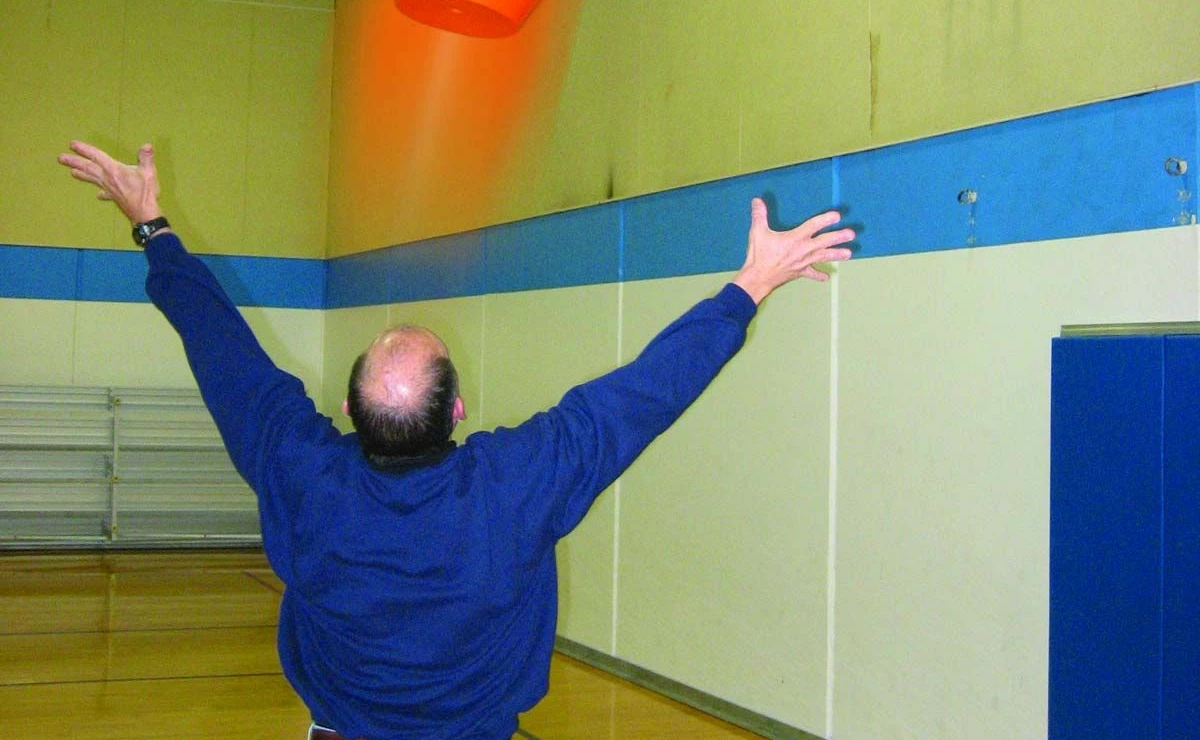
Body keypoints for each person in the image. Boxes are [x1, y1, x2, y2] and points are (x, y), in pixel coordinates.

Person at [58, 139, 855, 740]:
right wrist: (749, 285)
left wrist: (152, 228)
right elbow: (644, 394)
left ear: (345, 405)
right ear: (460, 409)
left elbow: (217, 343)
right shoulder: (514, 482)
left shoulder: (296, 469)